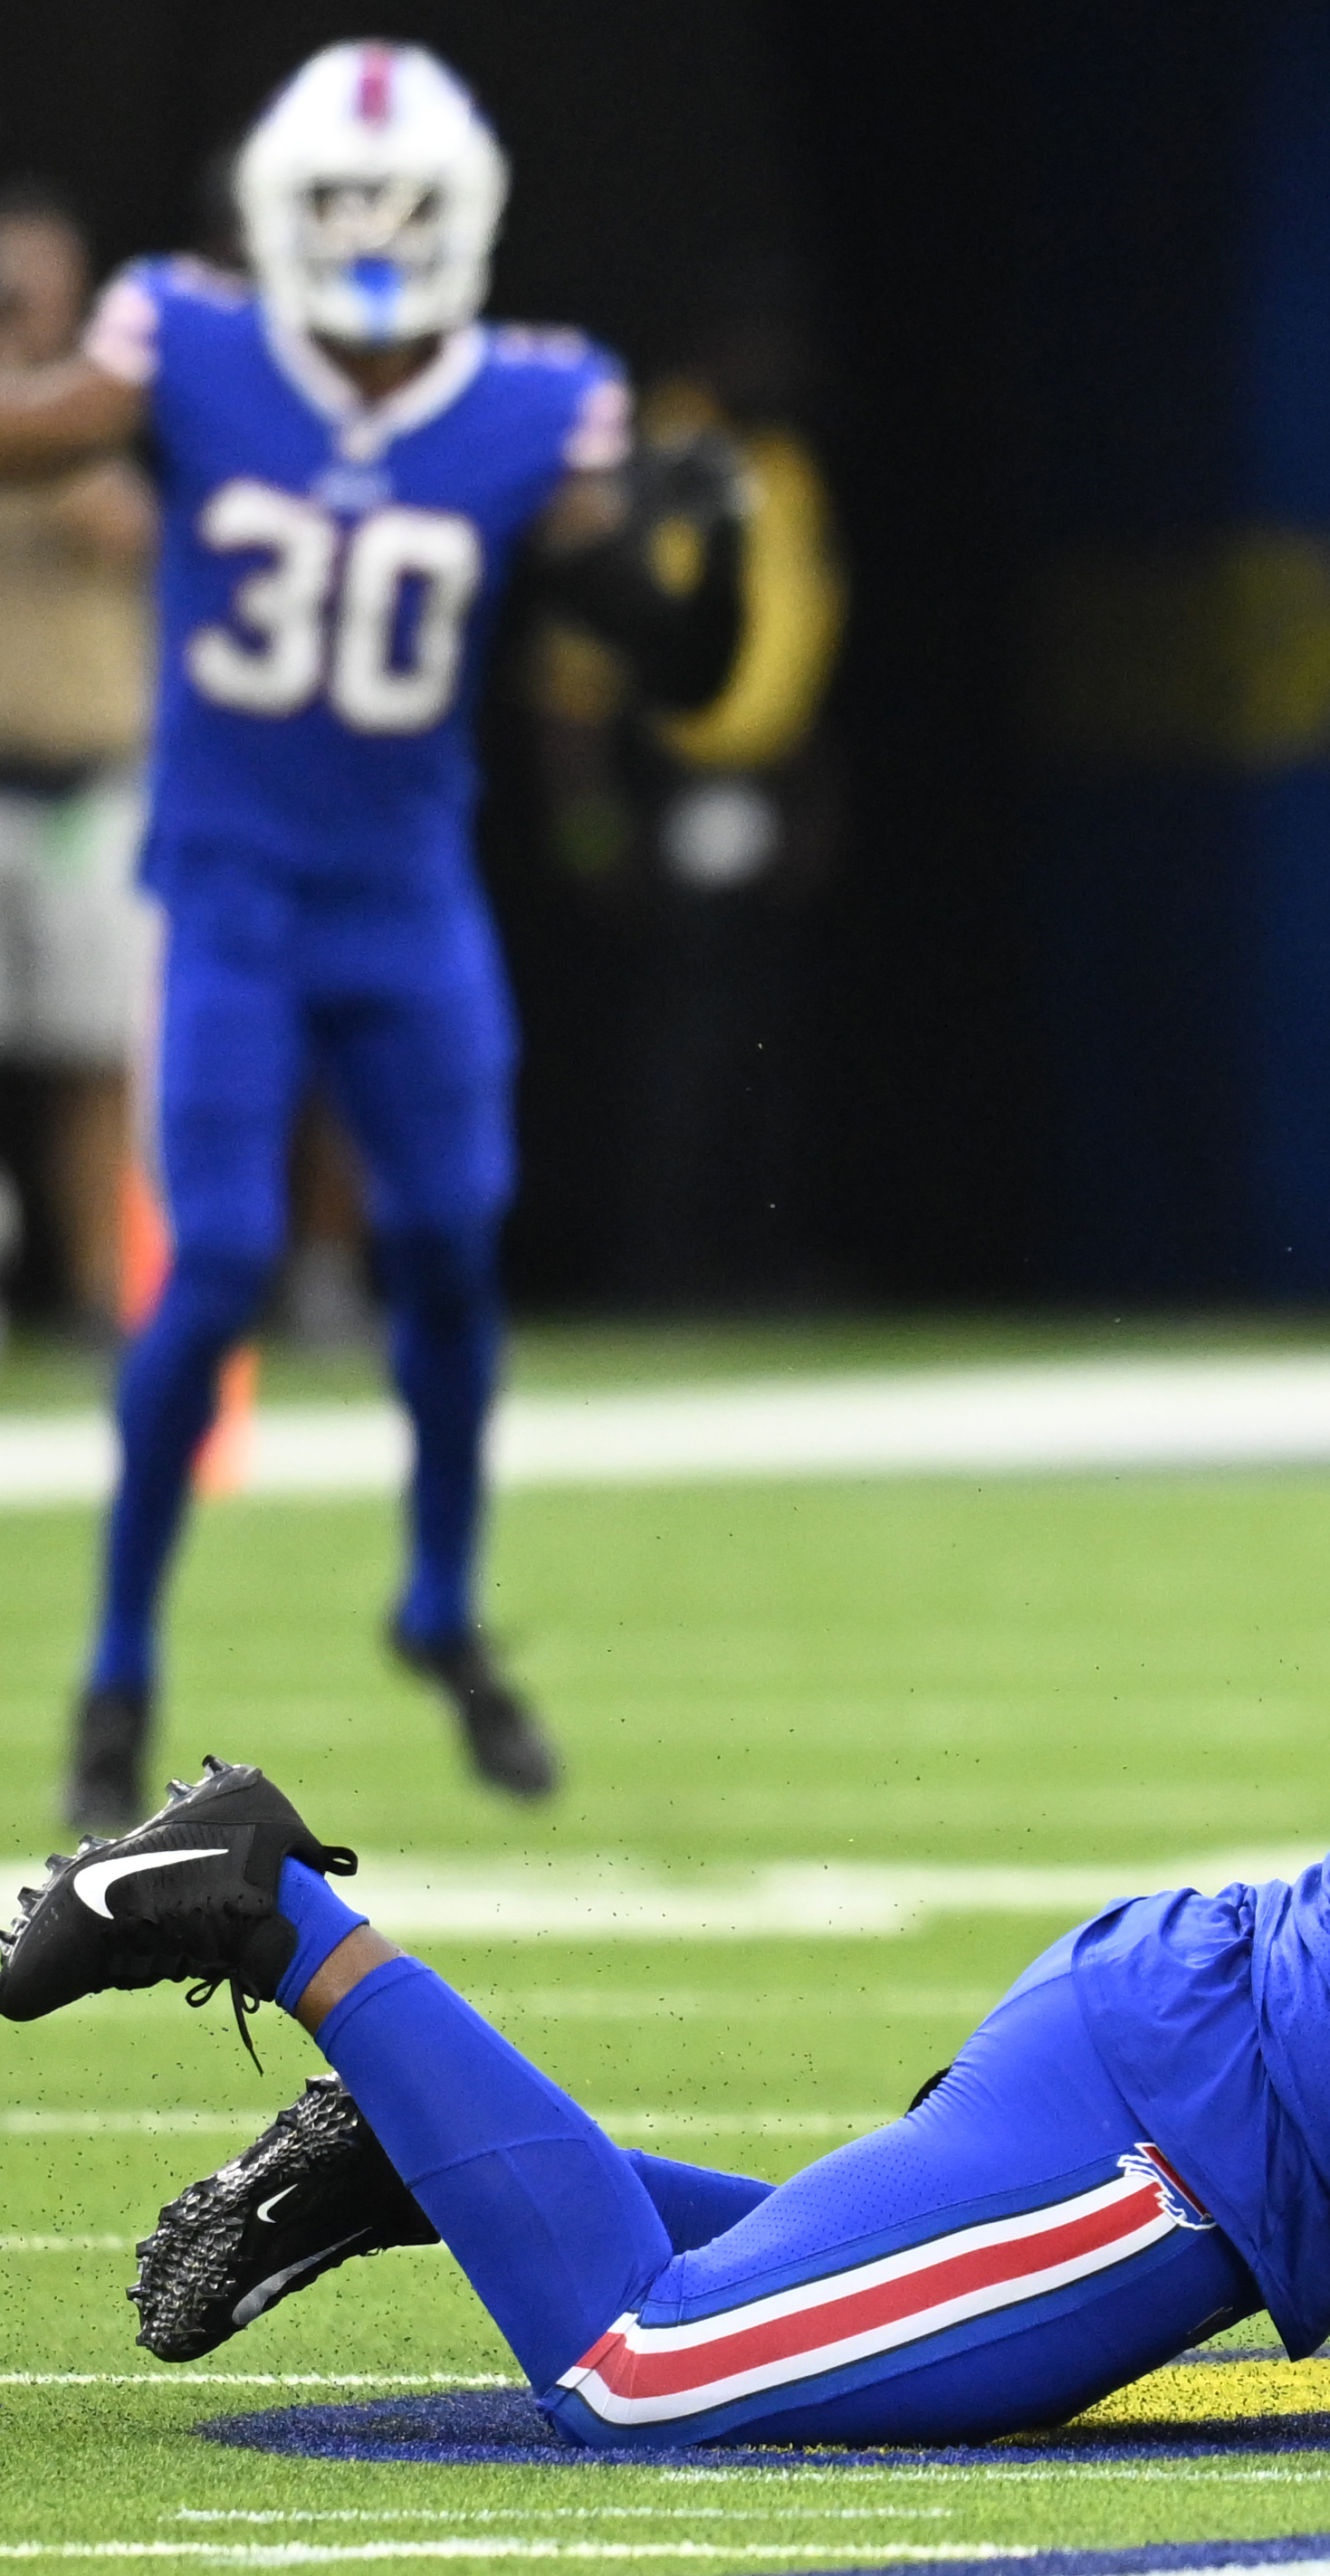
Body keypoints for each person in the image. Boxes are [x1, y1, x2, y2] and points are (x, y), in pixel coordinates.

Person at [8, 1287, 1330, 2457]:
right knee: (653, 2373)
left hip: (1196, 2006)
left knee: (814, 2298)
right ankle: (271, 1906)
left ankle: (411, 2144)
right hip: (1205, 2149)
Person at [0, 44, 748, 1827]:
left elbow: (672, 659)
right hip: (238, 890)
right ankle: (116, 1660)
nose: (370, 242)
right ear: (275, 216)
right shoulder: (181, 342)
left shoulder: (533, 402)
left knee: (451, 1254)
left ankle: (441, 1604)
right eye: (340, 210)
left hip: (408, 896)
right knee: (224, 1259)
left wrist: (698, 555)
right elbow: (35, 436)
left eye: (399, 209)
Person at [0, 184, 155, 1349]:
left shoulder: (101, 416)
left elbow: (124, 528)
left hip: (92, 778)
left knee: (101, 1050)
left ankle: (106, 1290)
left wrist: (38, 395)